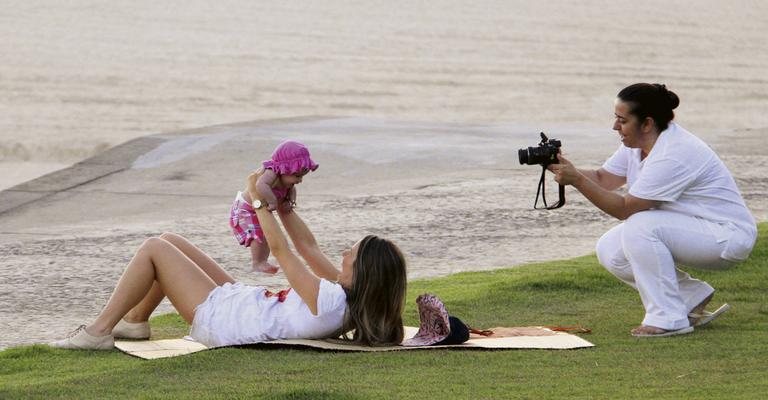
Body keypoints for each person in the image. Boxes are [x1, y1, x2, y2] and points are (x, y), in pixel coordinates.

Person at [50, 170, 407, 350]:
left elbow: (283, 251)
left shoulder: (329, 300)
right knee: (169, 241)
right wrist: (282, 205)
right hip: (242, 303)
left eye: (352, 253)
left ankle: (97, 333)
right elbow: (308, 247)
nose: (344, 253)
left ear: (364, 271)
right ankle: (134, 322)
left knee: (153, 249)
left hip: (223, 320)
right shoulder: (345, 297)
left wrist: (257, 200)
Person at [550, 83, 757, 338]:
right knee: (611, 249)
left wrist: (577, 180)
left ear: (646, 124)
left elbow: (625, 209)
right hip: (693, 226)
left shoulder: (674, 152)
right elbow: (604, 179)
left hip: (726, 237)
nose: (615, 127)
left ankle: (669, 318)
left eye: (621, 120)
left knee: (640, 225)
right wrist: (559, 166)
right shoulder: (637, 144)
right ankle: (690, 297)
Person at [229, 140, 318, 274]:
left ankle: (262, 261)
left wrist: (290, 200)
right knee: (258, 236)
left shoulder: (288, 181)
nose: (300, 180)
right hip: (245, 210)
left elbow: (292, 190)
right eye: (297, 176)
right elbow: (260, 185)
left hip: (258, 209)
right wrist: (272, 201)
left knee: (267, 235)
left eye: (302, 176)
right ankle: (257, 262)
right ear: (285, 168)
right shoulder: (271, 173)